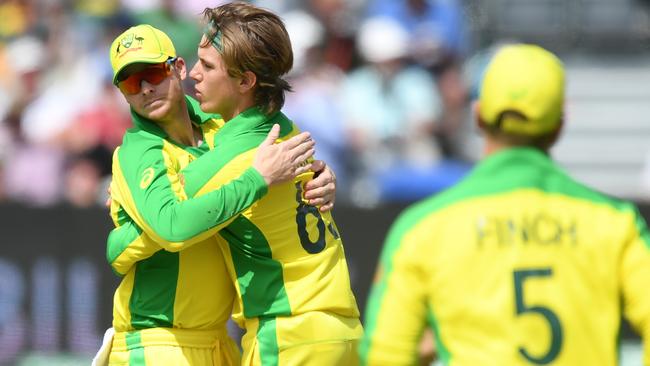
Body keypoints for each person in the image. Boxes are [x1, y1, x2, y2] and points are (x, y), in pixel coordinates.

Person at [360, 44, 650, 365]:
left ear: (478, 115)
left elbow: (383, 356)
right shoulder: (615, 223)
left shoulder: (422, 228)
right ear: (560, 125)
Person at [103, 24, 337, 365]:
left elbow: (272, 155)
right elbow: (169, 228)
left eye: (152, 73)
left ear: (178, 68)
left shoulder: (219, 128)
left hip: (217, 343)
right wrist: (258, 180)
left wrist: (319, 176)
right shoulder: (139, 152)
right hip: (157, 341)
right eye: (130, 82)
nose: (145, 89)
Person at [185, 3, 362, 365]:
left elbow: (162, 217)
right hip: (342, 331)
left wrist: (123, 189)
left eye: (206, 66)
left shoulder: (233, 160)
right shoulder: (286, 130)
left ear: (245, 81)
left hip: (288, 335)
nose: (192, 73)